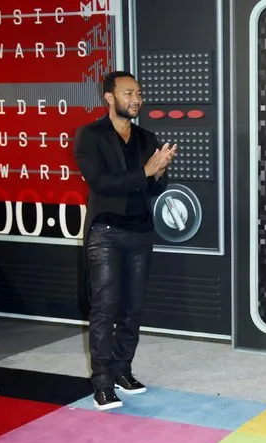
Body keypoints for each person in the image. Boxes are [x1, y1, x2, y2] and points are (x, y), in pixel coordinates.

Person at [74, 71, 177, 411]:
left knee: (133, 308)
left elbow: (152, 188)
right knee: (105, 308)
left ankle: (123, 370)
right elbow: (102, 183)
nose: (137, 99)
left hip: (140, 231)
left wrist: (158, 173)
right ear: (109, 97)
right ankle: (101, 382)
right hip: (105, 232)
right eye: (129, 92)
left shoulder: (147, 137)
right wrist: (147, 171)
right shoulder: (90, 136)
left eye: (139, 93)